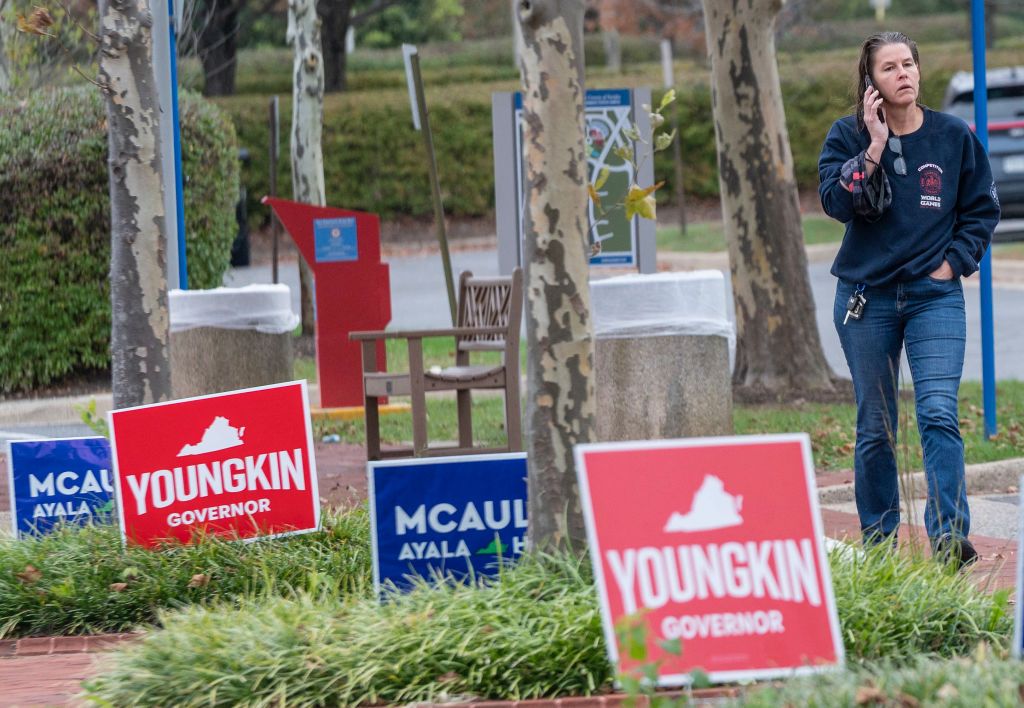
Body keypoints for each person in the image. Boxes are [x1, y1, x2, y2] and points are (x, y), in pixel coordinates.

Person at [818, 31, 1000, 568]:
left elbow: (981, 211)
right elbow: (836, 202)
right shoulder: (846, 135)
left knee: (939, 411)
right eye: (890, 67)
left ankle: (948, 538)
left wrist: (954, 263)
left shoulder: (953, 136)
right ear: (870, 81)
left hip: (933, 296)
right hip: (865, 300)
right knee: (875, 423)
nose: (904, 74)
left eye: (909, 64)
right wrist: (873, 146)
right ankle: (879, 544)